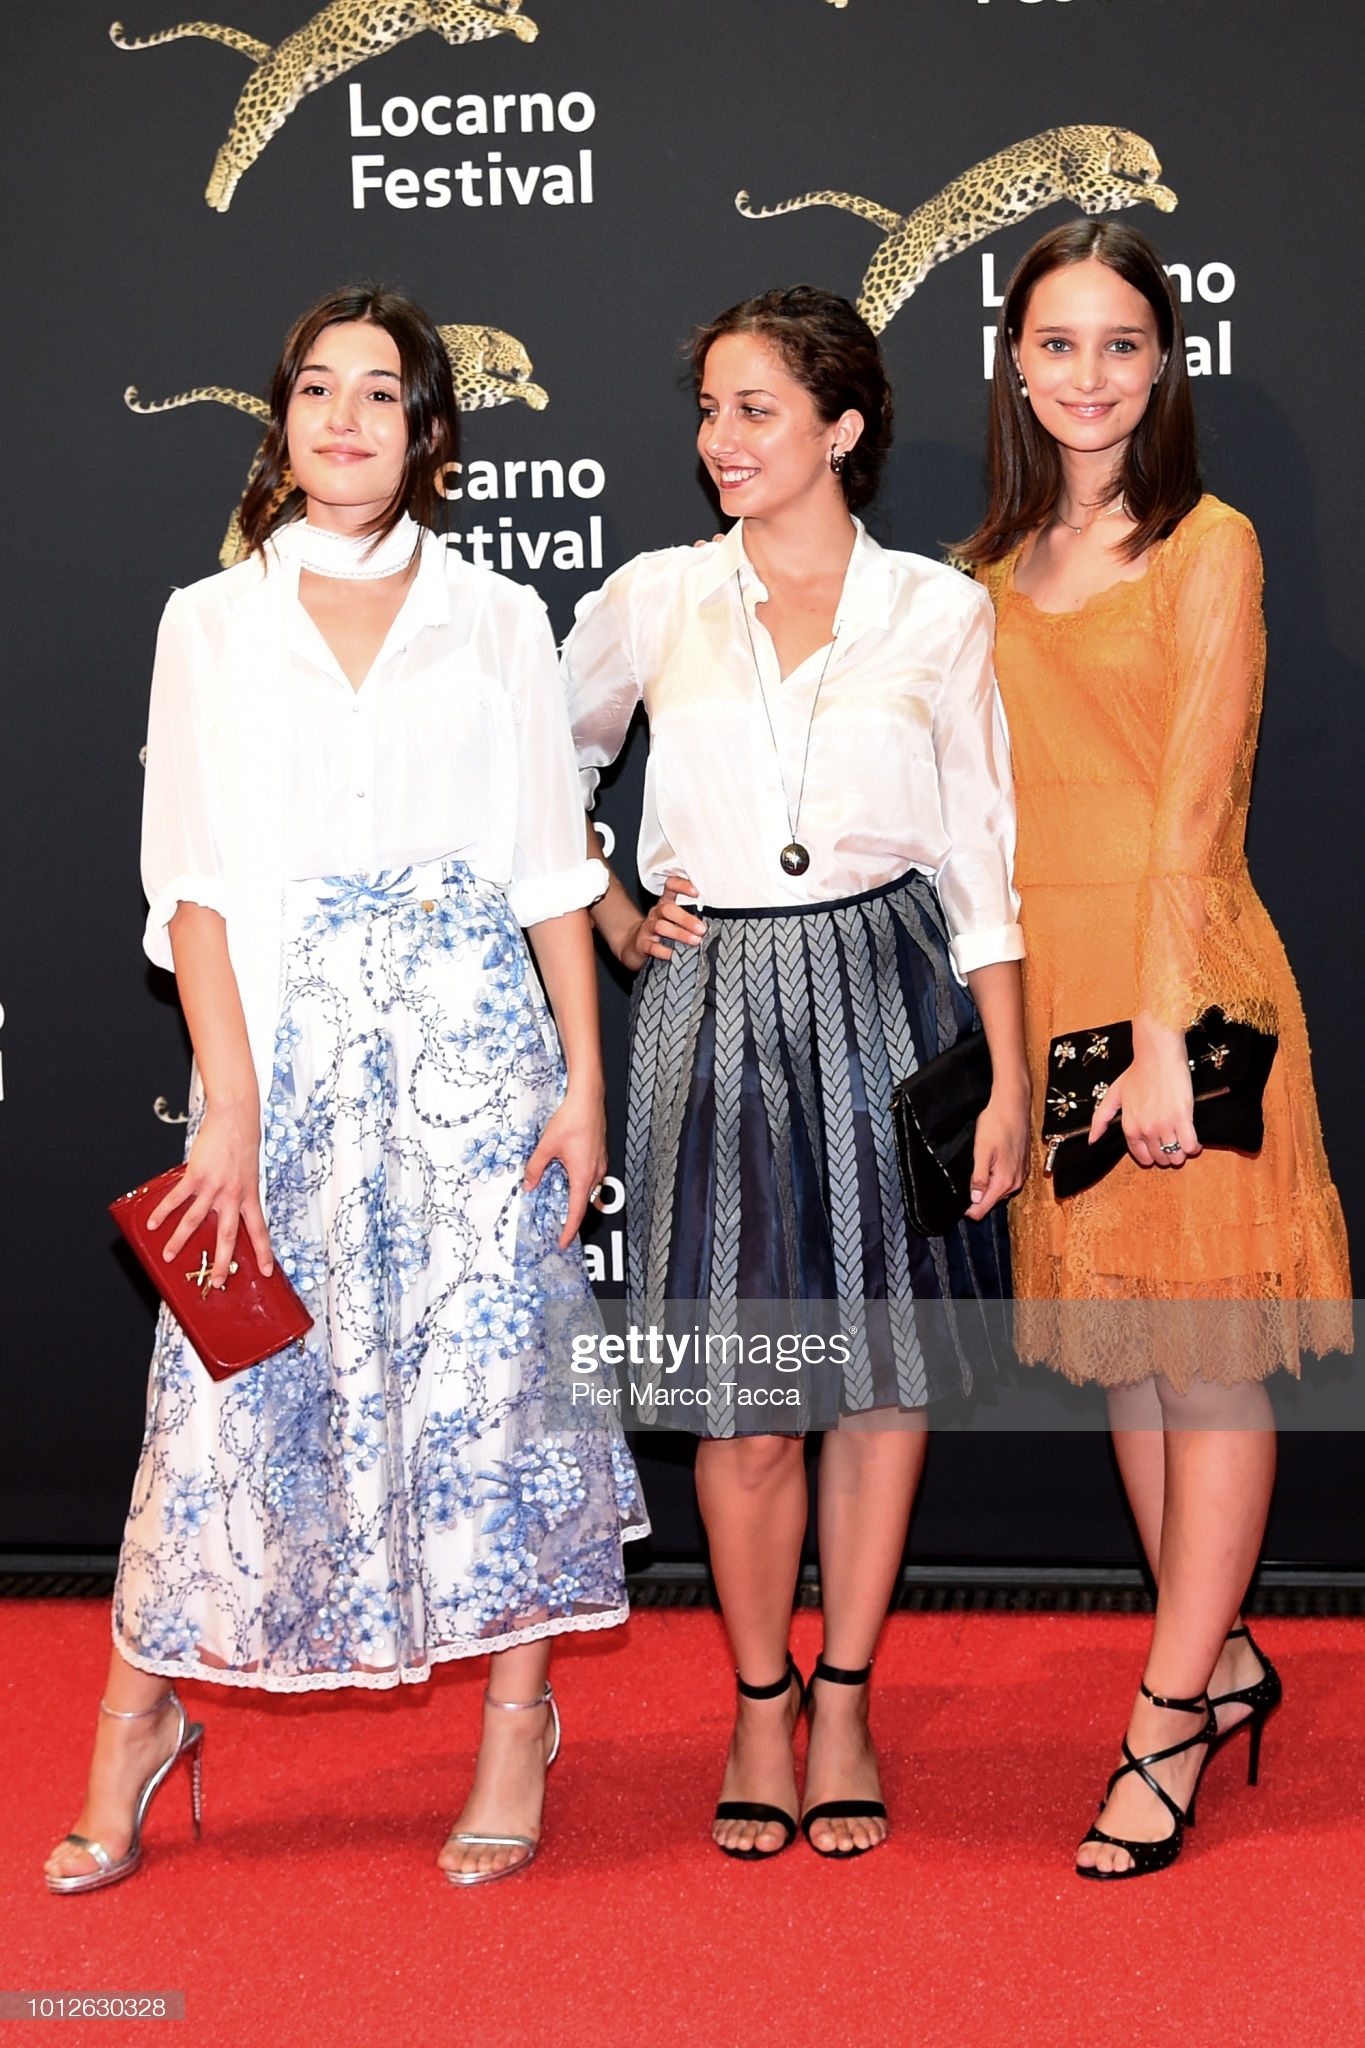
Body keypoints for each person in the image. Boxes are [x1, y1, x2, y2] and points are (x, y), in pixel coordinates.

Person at [45, 285, 646, 1896]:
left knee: (496, 1395)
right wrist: (229, 1103)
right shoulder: (207, 620)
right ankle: (136, 1727)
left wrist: (583, 1082)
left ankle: (515, 1730)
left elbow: (546, 870)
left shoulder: (497, 617)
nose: (346, 417)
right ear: (282, 420)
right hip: (281, 1055)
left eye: (381, 392)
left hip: (474, 1056)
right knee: (227, 1395)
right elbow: (189, 885)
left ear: (426, 432)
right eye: (319, 388)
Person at [561, 285, 1029, 1860]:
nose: (719, 439)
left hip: (893, 993)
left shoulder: (936, 610)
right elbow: (535, 770)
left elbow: (980, 858)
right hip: (715, 1007)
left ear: (841, 427)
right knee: (749, 1407)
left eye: (754, 409)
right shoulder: (654, 598)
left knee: (880, 1385)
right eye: (708, 410)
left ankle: (844, 1701)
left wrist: (1009, 1075)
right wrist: (615, 913)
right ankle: (759, 1703)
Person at [961, 221, 1353, 1878]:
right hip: (1058, 991)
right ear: (1015, 364)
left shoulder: (1210, 546)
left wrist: (1163, 1045)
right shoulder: (982, 573)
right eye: (1057, 344)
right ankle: (1219, 1659)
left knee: (1204, 1358)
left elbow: (1195, 813)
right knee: (1125, 1351)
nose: (1088, 375)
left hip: (1186, 991)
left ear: (1164, 366)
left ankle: (1168, 1713)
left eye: (1120, 344)